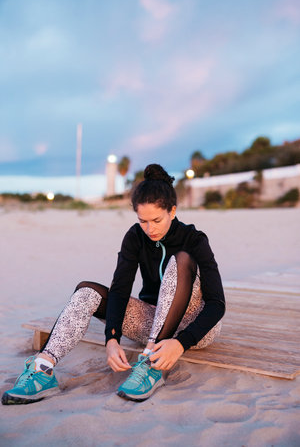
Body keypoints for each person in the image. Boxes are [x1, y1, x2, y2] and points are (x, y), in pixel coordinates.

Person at [2, 164, 225, 405]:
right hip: (151, 324)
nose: (150, 229)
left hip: (197, 328)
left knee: (180, 260)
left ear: (172, 210)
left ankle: (150, 362)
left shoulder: (194, 239)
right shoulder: (135, 236)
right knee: (86, 291)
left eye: (157, 220)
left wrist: (181, 344)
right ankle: (43, 368)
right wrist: (112, 338)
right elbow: (120, 290)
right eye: (143, 221)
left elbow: (217, 304)